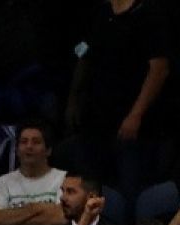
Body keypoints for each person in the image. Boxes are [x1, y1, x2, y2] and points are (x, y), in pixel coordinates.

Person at [66, 0, 171, 204]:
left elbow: (159, 69)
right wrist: (72, 99)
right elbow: (83, 54)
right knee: (91, 191)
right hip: (95, 121)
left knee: (129, 194)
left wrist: (135, 115)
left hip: (132, 127)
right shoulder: (99, 13)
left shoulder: (149, 13)